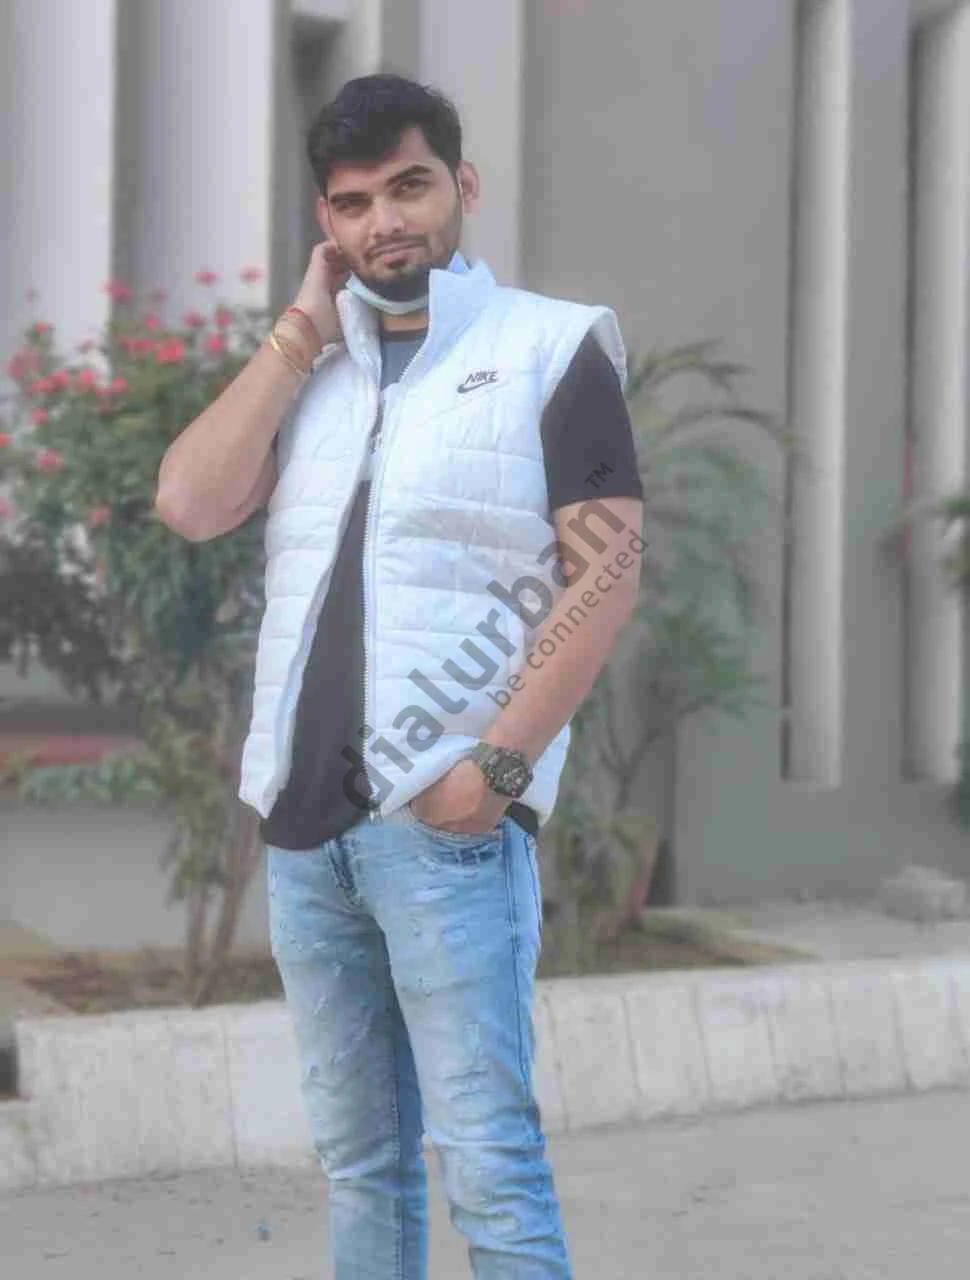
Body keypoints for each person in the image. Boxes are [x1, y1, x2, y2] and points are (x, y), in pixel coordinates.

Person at [155, 72, 644, 1280]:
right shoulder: (316, 373)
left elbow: (605, 568)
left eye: (409, 186)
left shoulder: (549, 344)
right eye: (353, 202)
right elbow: (190, 502)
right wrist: (296, 334)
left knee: (489, 1165)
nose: (386, 221)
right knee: (361, 1165)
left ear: (461, 185)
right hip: (304, 835)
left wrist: (496, 769)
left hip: (446, 830)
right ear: (326, 224)